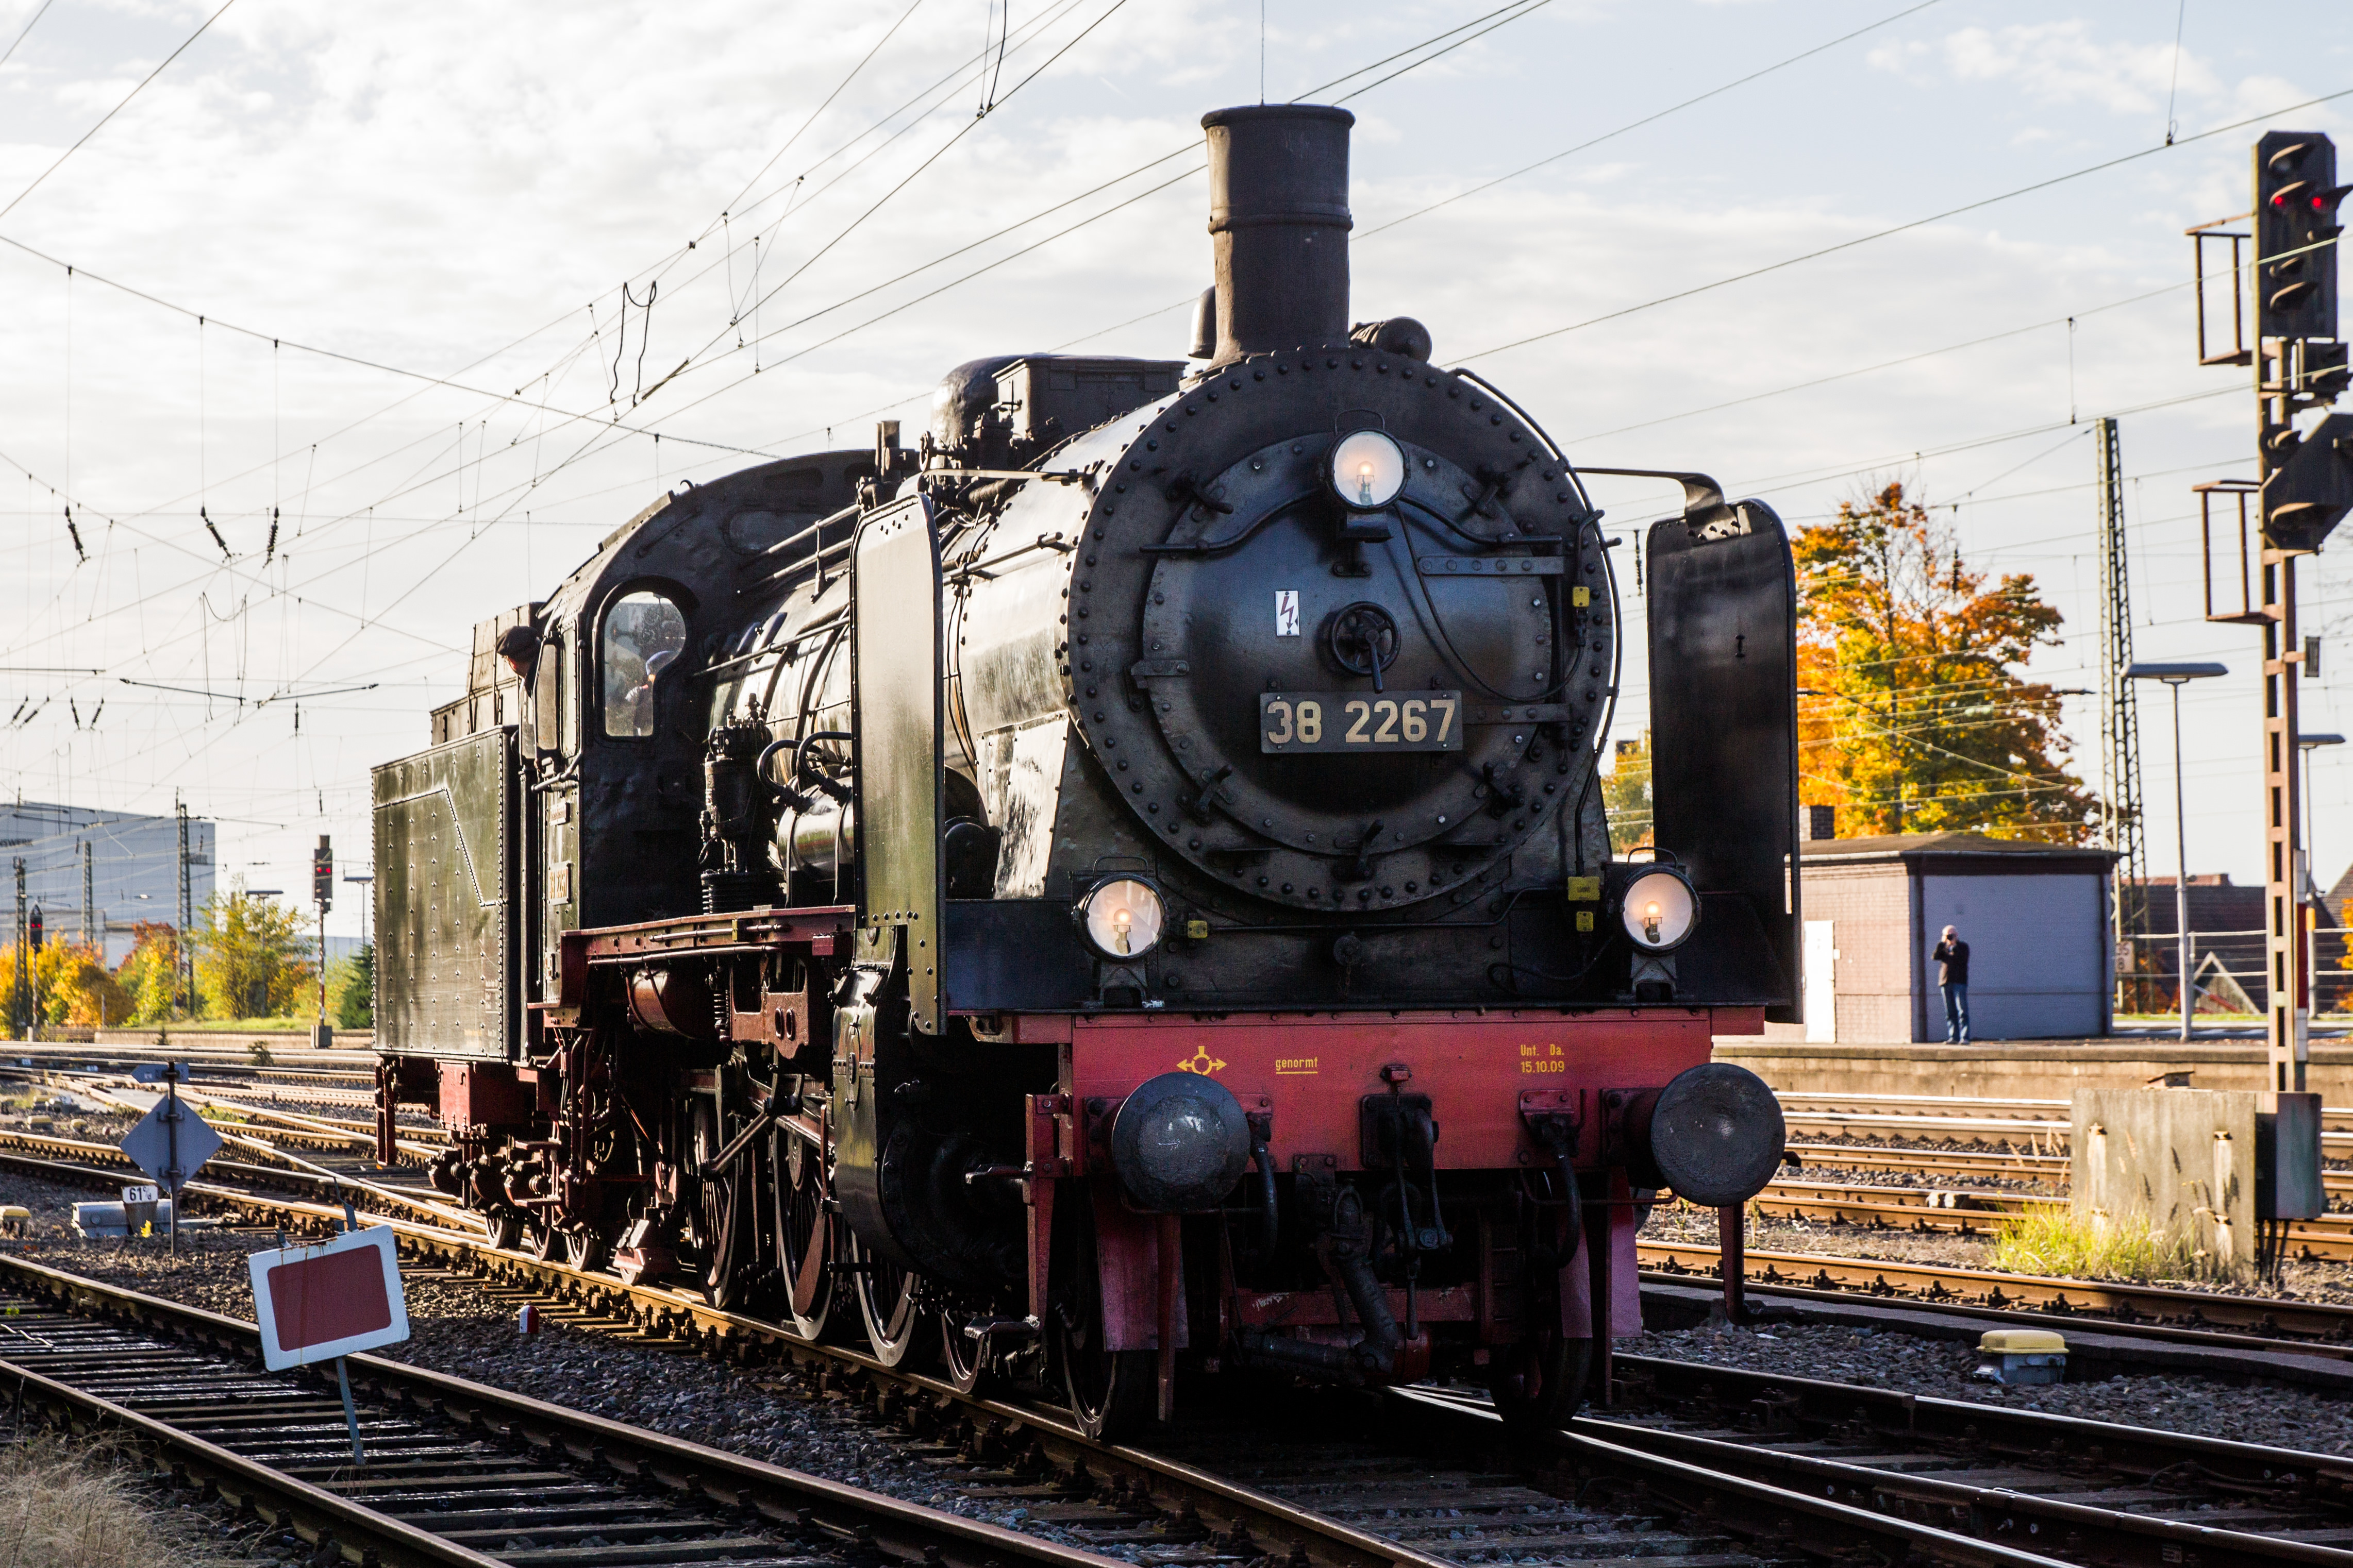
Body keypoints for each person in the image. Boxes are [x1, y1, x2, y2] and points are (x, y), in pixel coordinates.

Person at [1932, 924, 1971, 1044]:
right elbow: (1935, 957)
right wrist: (1943, 944)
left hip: (1959, 982)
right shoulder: (1943, 947)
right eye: (1947, 935)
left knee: (1962, 1011)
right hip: (1946, 981)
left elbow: (1962, 960)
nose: (1949, 937)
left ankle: (1965, 1037)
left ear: (1956, 935)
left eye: (1951, 935)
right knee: (1950, 1012)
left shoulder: (1963, 947)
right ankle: (1954, 1037)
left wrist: (1954, 946)